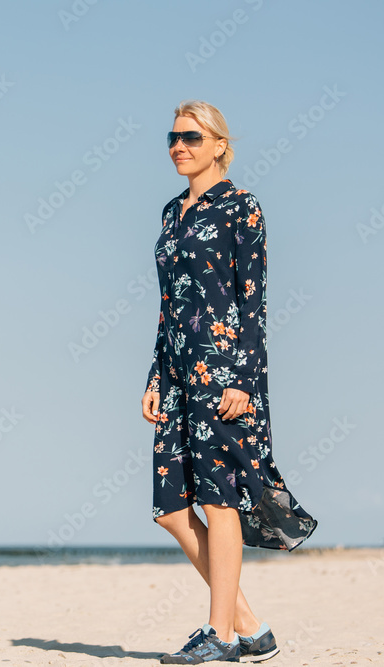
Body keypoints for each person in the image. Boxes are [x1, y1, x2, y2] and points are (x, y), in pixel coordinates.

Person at [140, 100, 318, 664]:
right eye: (172, 137)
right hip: (177, 376)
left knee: (220, 503)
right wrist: (155, 375)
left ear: (220, 144)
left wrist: (242, 378)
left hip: (224, 376)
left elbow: (253, 301)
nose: (178, 146)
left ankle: (219, 635)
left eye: (191, 137)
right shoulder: (171, 212)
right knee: (170, 509)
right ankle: (250, 628)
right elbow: (169, 304)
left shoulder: (242, 207)